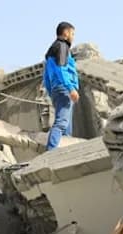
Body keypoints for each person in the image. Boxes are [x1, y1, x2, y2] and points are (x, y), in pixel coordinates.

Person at [42, 21, 80, 152]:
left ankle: (65, 153)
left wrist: (51, 92)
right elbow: (61, 69)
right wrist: (70, 88)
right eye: (72, 34)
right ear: (66, 33)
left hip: (56, 89)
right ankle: (51, 152)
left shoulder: (51, 51)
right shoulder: (62, 46)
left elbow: (46, 77)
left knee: (66, 127)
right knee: (62, 123)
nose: (73, 37)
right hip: (64, 89)